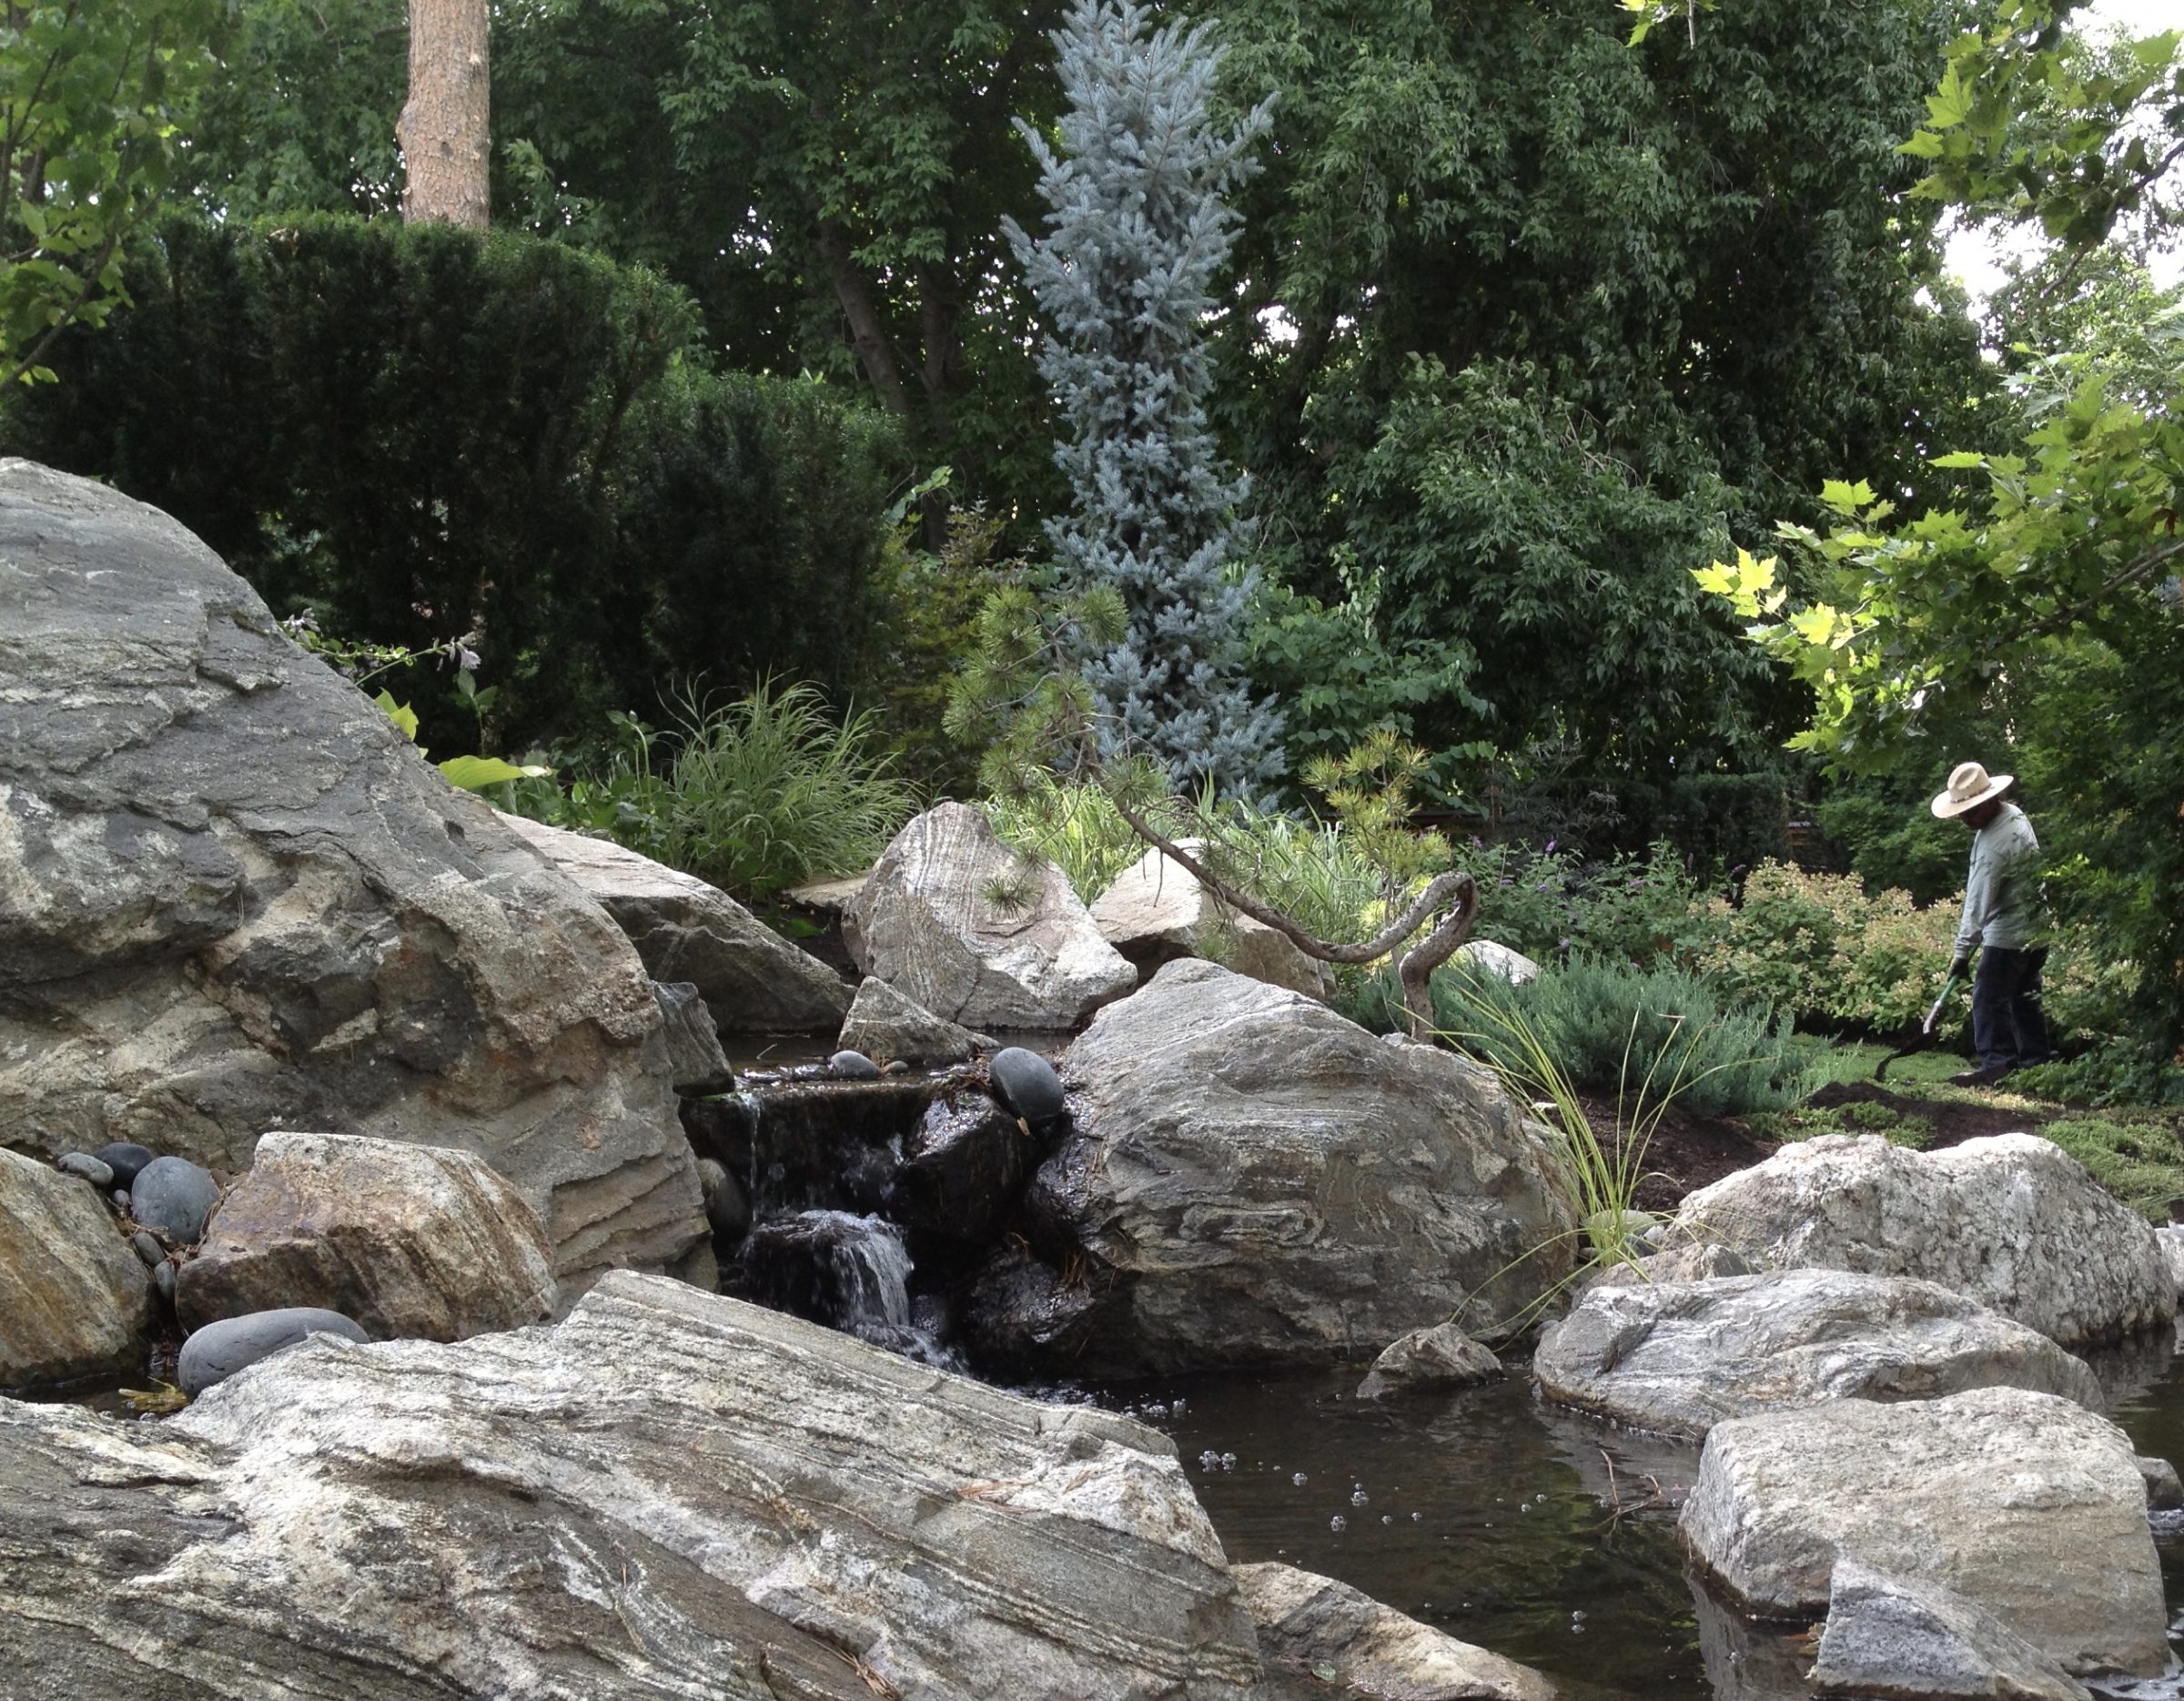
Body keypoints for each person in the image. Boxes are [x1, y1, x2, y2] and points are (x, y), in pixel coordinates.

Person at [1931, 759, 2054, 1087]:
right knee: (2024, 997)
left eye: (1969, 811)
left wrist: (1961, 954)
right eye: (1961, 811)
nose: (1963, 818)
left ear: (1988, 802)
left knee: (1988, 998)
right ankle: (2036, 1065)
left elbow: (1977, 904)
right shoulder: (2012, 815)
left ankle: (1997, 1065)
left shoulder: (1995, 846)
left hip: (2010, 934)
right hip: (2038, 931)